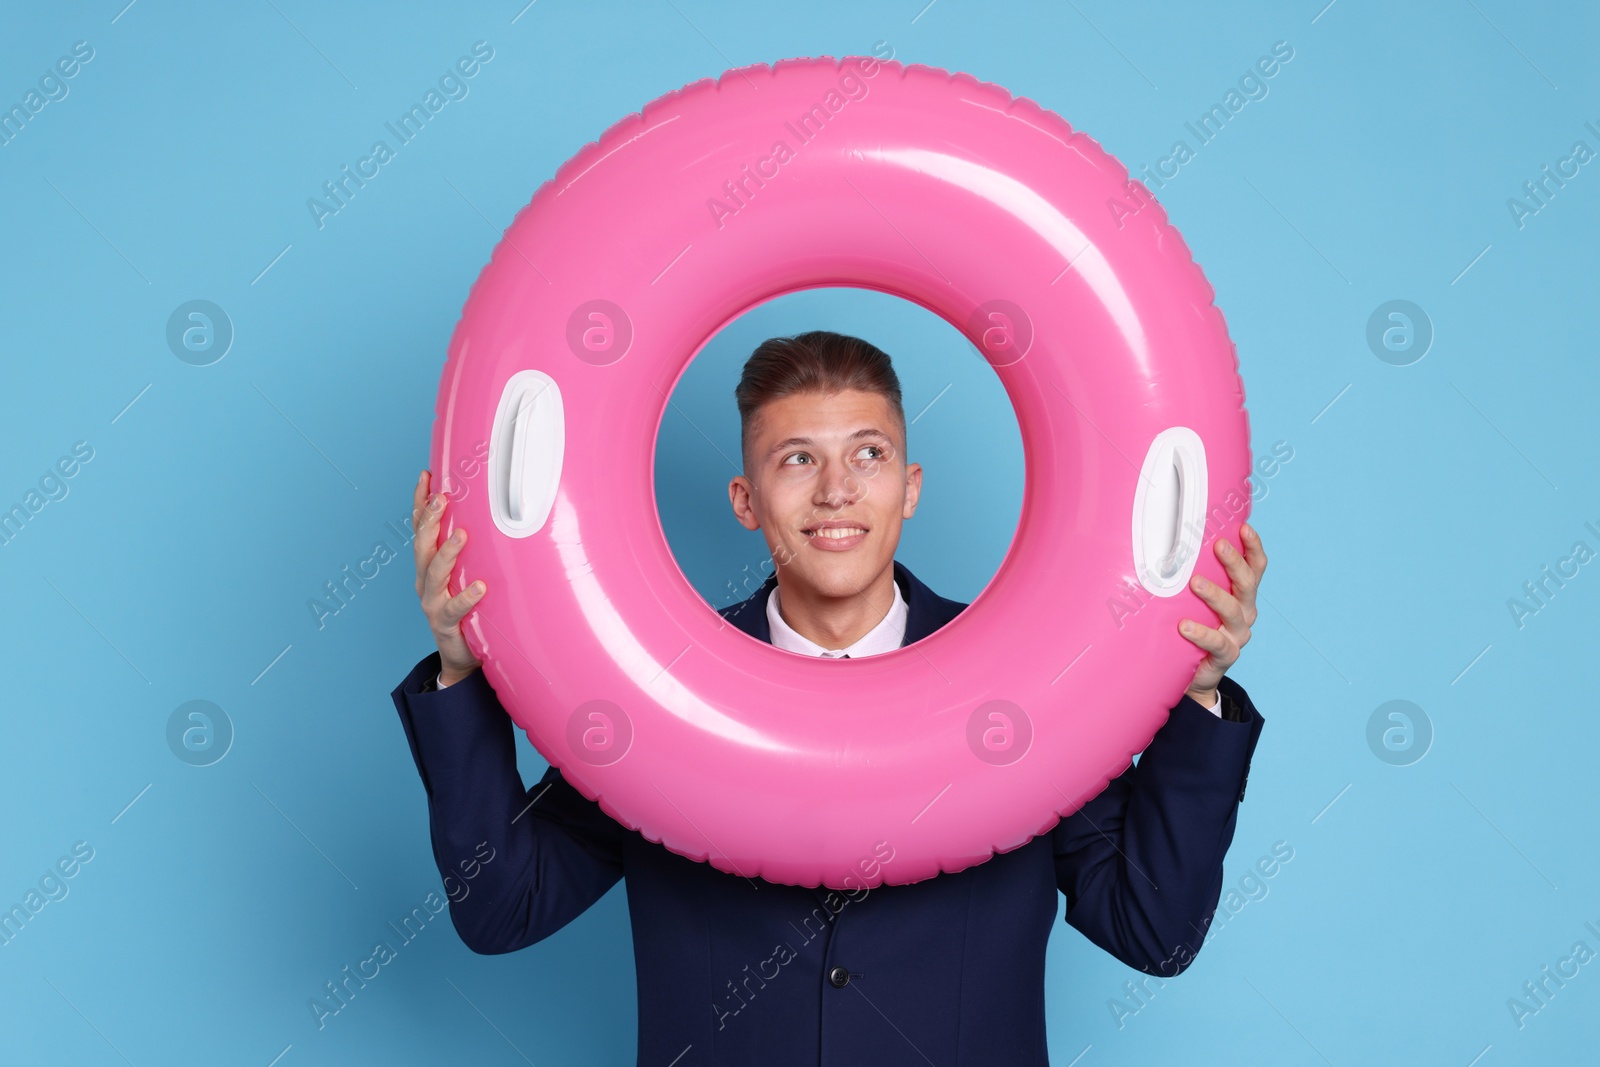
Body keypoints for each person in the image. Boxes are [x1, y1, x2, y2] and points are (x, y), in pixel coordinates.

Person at [391, 330, 1269, 1065]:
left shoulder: (1027, 684)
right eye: (797, 459)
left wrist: (1198, 696)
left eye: (869, 454)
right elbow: (500, 907)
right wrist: (462, 672)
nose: (837, 490)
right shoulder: (655, 689)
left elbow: (1157, 931)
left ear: (910, 488)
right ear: (746, 501)